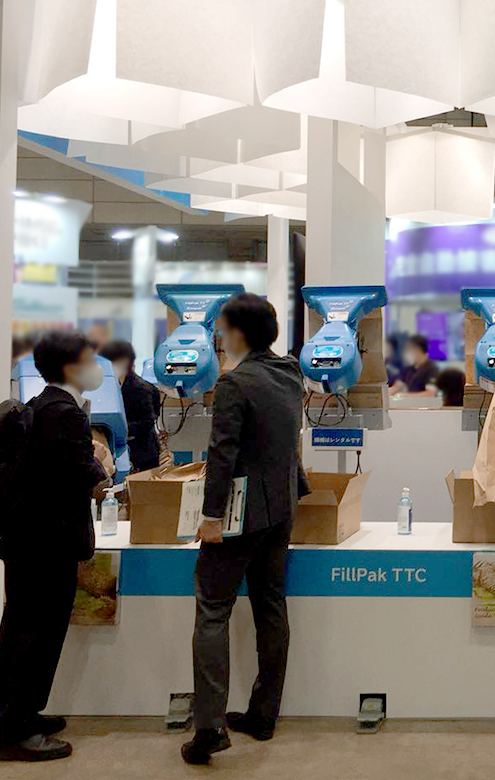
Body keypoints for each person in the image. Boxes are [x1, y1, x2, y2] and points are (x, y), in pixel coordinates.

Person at [183, 294, 307, 765]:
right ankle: (262, 715)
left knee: (212, 609)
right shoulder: (290, 373)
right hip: (280, 510)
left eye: (223, 328)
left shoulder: (234, 383)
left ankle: (209, 728)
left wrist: (211, 517)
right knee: (270, 606)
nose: (219, 337)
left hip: (239, 516)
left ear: (237, 333)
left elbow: (222, 454)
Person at [0, 330, 114, 761]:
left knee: (24, 631)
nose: (96, 369)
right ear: (70, 366)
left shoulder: (44, 405)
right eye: (90, 360)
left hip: (30, 541)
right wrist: (100, 464)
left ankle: (23, 716)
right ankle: (13, 733)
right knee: (34, 636)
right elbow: (78, 475)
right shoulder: (63, 412)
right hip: (46, 544)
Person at [99, 340, 162, 473]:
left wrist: (118, 429)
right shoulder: (107, 386)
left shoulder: (141, 389)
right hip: (119, 450)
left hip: (142, 454)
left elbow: (147, 422)